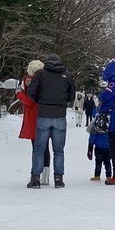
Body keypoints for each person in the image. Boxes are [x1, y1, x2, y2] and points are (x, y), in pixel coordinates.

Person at [25, 53, 75, 189]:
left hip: (43, 114)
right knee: (59, 150)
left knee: (39, 149)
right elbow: (72, 96)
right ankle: (58, 179)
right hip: (59, 115)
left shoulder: (40, 74)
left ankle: (35, 179)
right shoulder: (67, 75)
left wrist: (40, 101)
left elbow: (31, 92)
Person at [17, 59, 50, 188]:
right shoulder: (46, 81)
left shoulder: (30, 81)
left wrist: (19, 94)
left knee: (36, 148)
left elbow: (30, 101)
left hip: (33, 117)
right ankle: (45, 175)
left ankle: (36, 175)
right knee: (45, 147)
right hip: (45, 115)